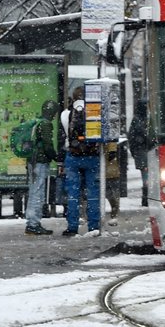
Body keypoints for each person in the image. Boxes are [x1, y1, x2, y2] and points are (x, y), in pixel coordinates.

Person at [62, 87, 100, 236]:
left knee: (73, 193)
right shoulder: (94, 112)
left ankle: (72, 226)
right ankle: (94, 226)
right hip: (92, 157)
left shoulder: (65, 114)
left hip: (73, 156)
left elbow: (63, 137)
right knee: (93, 193)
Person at [24, 99, 60, 235]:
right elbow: (47, 145)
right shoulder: (45, 124)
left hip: (33, 161)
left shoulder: (38, 121)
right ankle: (33, 223)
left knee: (34, 191)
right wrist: (55, 157)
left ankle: (33, 223)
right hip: (39, 162)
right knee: (37, 192)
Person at [128, 99, 150, 207]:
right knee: (149, 176)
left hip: (141, 151)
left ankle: (146, 198)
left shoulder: (136, 120)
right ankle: (147, 197)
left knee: (146, 176)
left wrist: (134, 151)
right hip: (146, 149)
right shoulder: (149, 119)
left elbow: (131, 138)